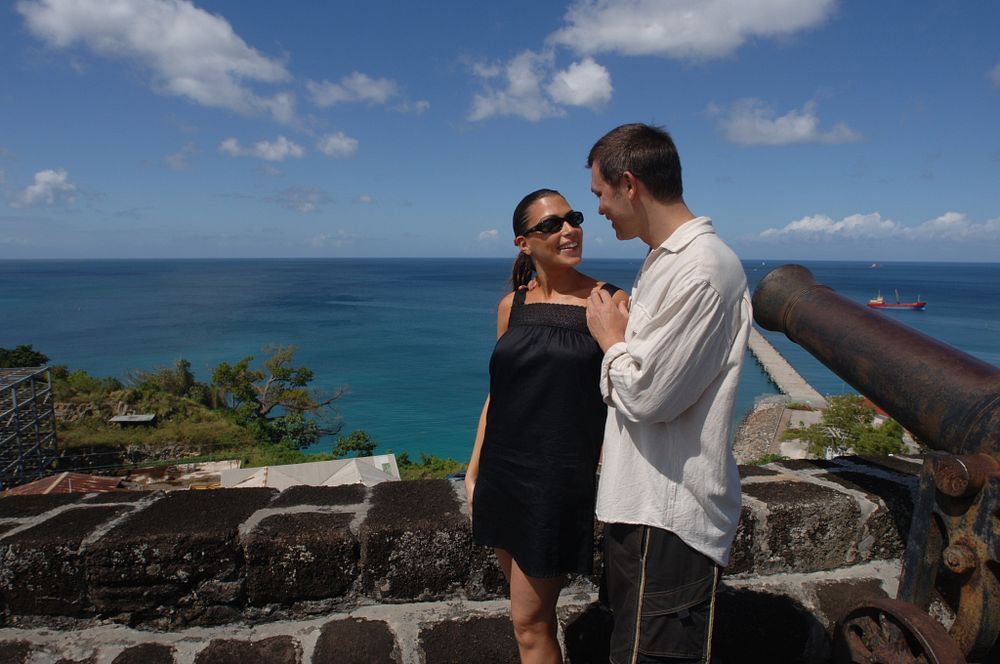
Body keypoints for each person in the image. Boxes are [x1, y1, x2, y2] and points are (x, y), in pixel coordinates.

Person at [584, 123, 751, 664]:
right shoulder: (664, 258)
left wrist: (610, 340)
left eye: (600, 195)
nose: (599, 210)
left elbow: (649, 395)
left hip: (668, 516)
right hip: (643, 505)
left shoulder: (701, 269)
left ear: (629, 184)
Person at [465, 188, 628, 664]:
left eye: (573, 218)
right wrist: (474, 472)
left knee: (529, 622)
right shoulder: (510, 306)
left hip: (555, 482)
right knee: (528, 621)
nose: (569, 229)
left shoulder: (609, 302)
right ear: (523, 242)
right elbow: (499, 392)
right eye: (551, 225)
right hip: (502, 476)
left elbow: (628, 389)